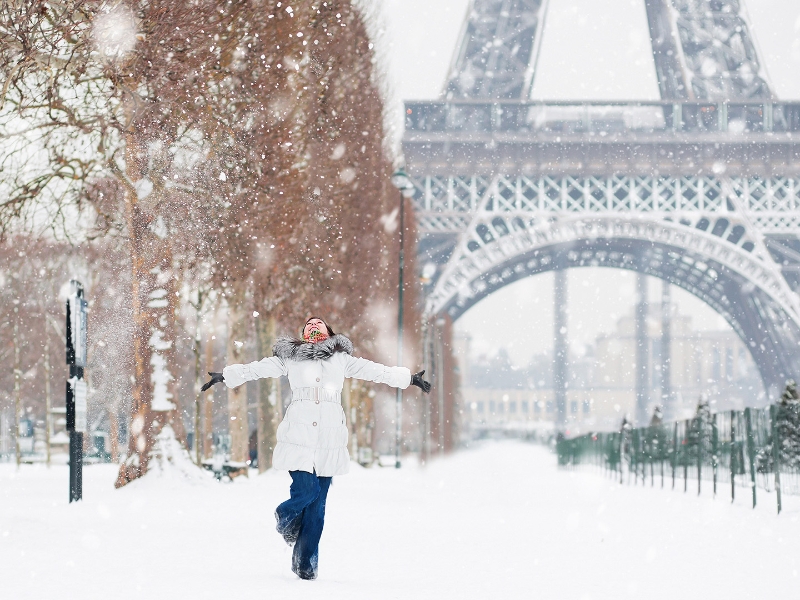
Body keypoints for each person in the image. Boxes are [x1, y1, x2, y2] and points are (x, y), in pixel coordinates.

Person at [201, 316, 431, 580]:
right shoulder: (291, 358)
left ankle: (305, 566)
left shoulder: (341, 359)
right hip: (298, 435)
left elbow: (375, 371)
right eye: (308, 325)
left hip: (329, 439)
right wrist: (226, 376)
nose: (313, 326)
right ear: (303, 334)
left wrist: (409, 378)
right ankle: (284, 515)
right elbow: (256, 369)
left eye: (318, 324)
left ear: (328, 332)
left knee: (317, 509)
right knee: (306, 491)